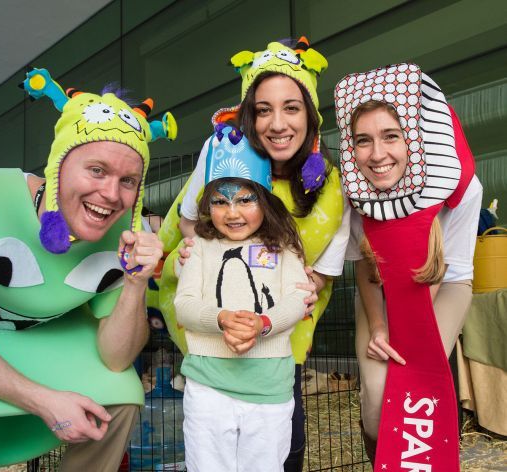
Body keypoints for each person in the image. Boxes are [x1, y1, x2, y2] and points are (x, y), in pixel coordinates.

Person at [0, 68, 176, 470]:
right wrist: (42, 399)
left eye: (128, 180)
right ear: (58, 165)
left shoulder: (127, 235)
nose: (111, 195)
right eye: (96, 170)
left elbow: (116, 360)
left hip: (47, 337)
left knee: (121, 396)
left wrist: (135, 283)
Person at [157, 36, 350, 471]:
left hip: (282, 337)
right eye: (263, 109)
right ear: (249, 114)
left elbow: (322, 274)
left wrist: (275, 299)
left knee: (284, 444)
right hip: (212, 330)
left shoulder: (334, 187)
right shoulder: (222, 151)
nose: (277, 123)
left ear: (311, 115)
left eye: (292, 107)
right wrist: (209, 251)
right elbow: (190, 221)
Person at [335, 63, 482, 467]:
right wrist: (381, 326)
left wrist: (409, 333)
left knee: (414, 383)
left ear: (413, 139)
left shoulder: (460, 186)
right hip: (379, 287)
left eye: (391, 136)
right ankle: (380, 456)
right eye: (363, 141)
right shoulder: (354, 192)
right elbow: (366, 267)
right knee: (377, 400)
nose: (377, 155)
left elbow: (443, 268)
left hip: (444, 283)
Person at [174, 125, 310, 471]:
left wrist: (263, 324)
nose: (232, 213)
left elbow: (298, 301)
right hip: (207, 387)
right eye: (220, 202)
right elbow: (185, 305)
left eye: (245, 199)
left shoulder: (285, 247)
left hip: (270, 390)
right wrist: (221, 320)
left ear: (264, 199)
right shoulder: (199, 247)